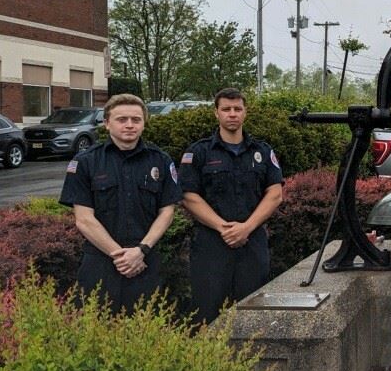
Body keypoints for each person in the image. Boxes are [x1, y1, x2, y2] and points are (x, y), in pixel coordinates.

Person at [59, 94, 181, 313]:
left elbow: (167, 212)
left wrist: (141, 251)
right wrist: (121, 256)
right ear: (107, 123)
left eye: (136, 119)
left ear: (144, 123)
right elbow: (84, 220)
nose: (129, 125)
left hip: (145, 261)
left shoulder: (160, 160)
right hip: (100, 262)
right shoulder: (85, 162)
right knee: (95, 334)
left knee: (147, 336)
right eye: (121, 119)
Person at [180, 88, 283, 324]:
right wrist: (224, 228)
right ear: (216, 113)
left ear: (245, 112)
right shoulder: (198, 152)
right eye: (226, 109)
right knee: (207, 314)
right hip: (211, 245)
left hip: (252, 243)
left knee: (253, 316)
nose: (232, 114)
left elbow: (275, 194)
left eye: (237, 109)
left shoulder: (262, 151)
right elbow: (188, 196)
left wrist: (246, 228)